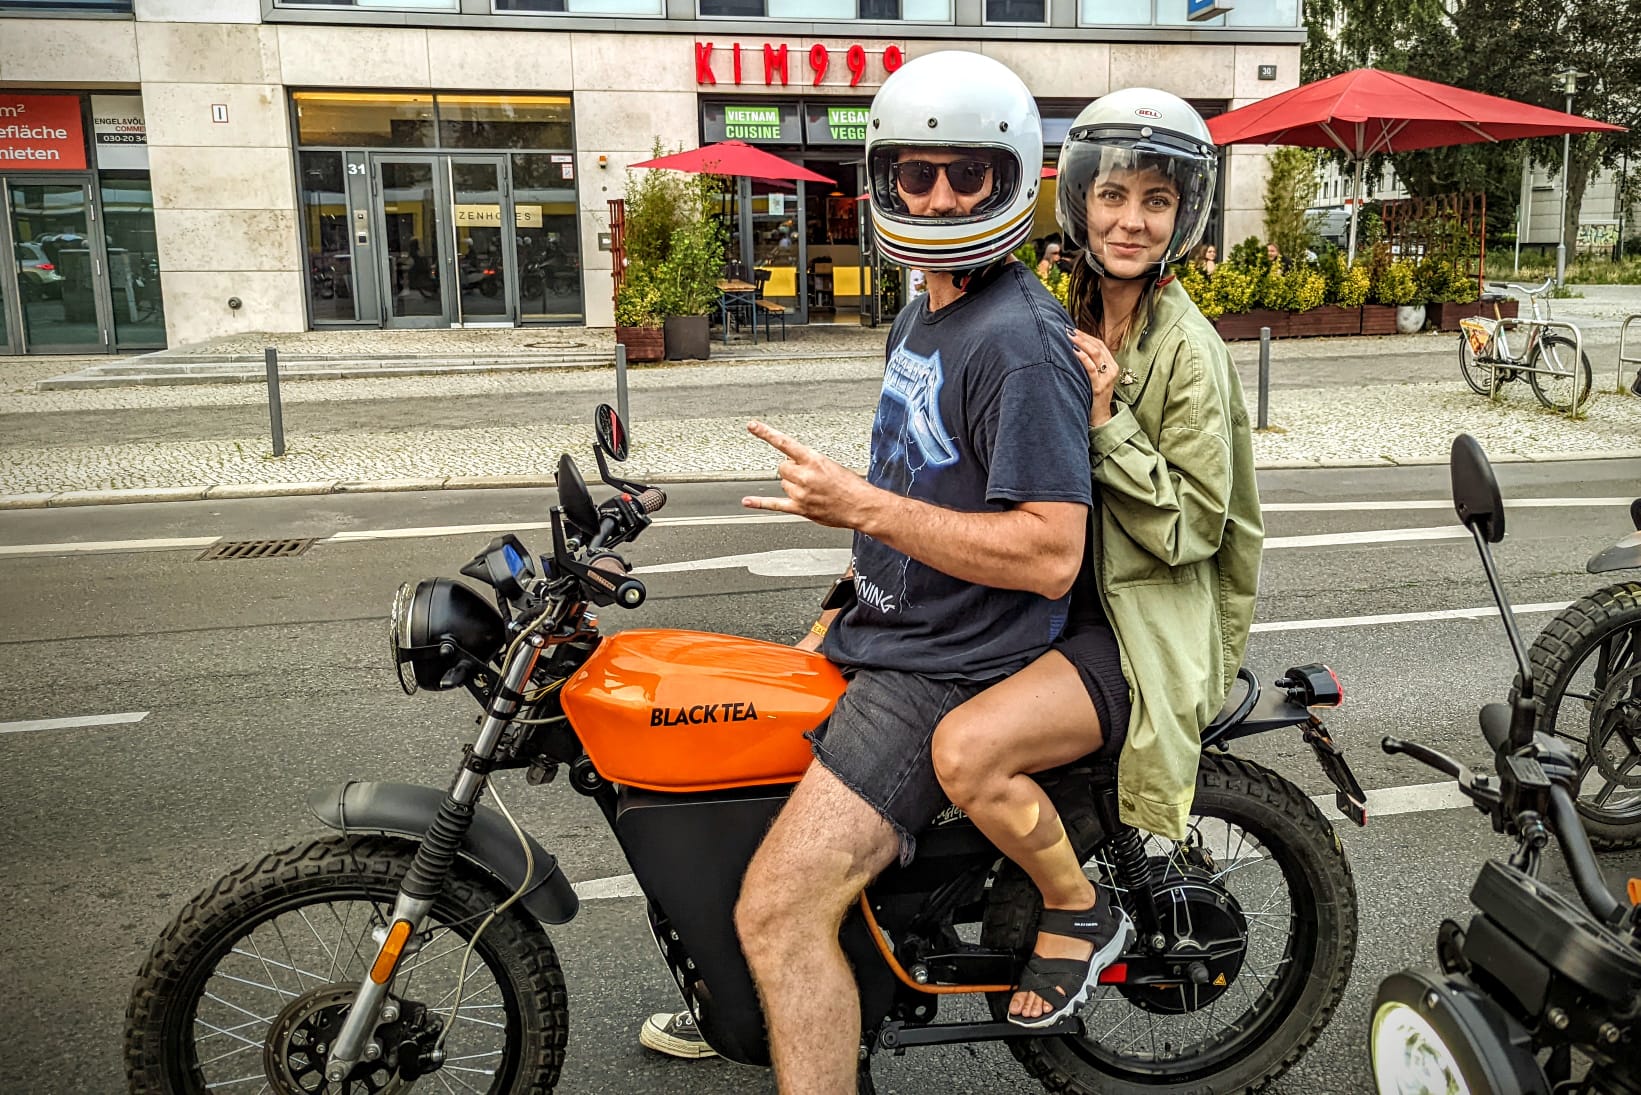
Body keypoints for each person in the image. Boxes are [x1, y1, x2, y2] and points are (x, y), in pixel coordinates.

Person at [638, 51, 1095, 1084]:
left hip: (948, 668)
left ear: (1011, 178)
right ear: (884, 178)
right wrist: (855, 582)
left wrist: (858, 507)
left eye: (968, 174)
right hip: (889, 630)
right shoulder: (925, 305)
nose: (938, 198)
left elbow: (1050, 553)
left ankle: (788, 977)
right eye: (915, 174)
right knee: (732, 793)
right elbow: (925, 477)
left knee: (779, 907)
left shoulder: (1020, 344)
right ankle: (757, 1001)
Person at [928, 87, 1263, 1028]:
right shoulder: (1064, 304)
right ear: (1078, 198)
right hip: (1067, 593)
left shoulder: (1188, 351)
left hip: (1142, 620)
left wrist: (1108, 417)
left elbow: (1191, 529)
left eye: (1156, 201)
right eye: (1113, 195)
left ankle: (1079, 909)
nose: (1130, 221)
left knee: (972, 749)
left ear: (1184, 215)